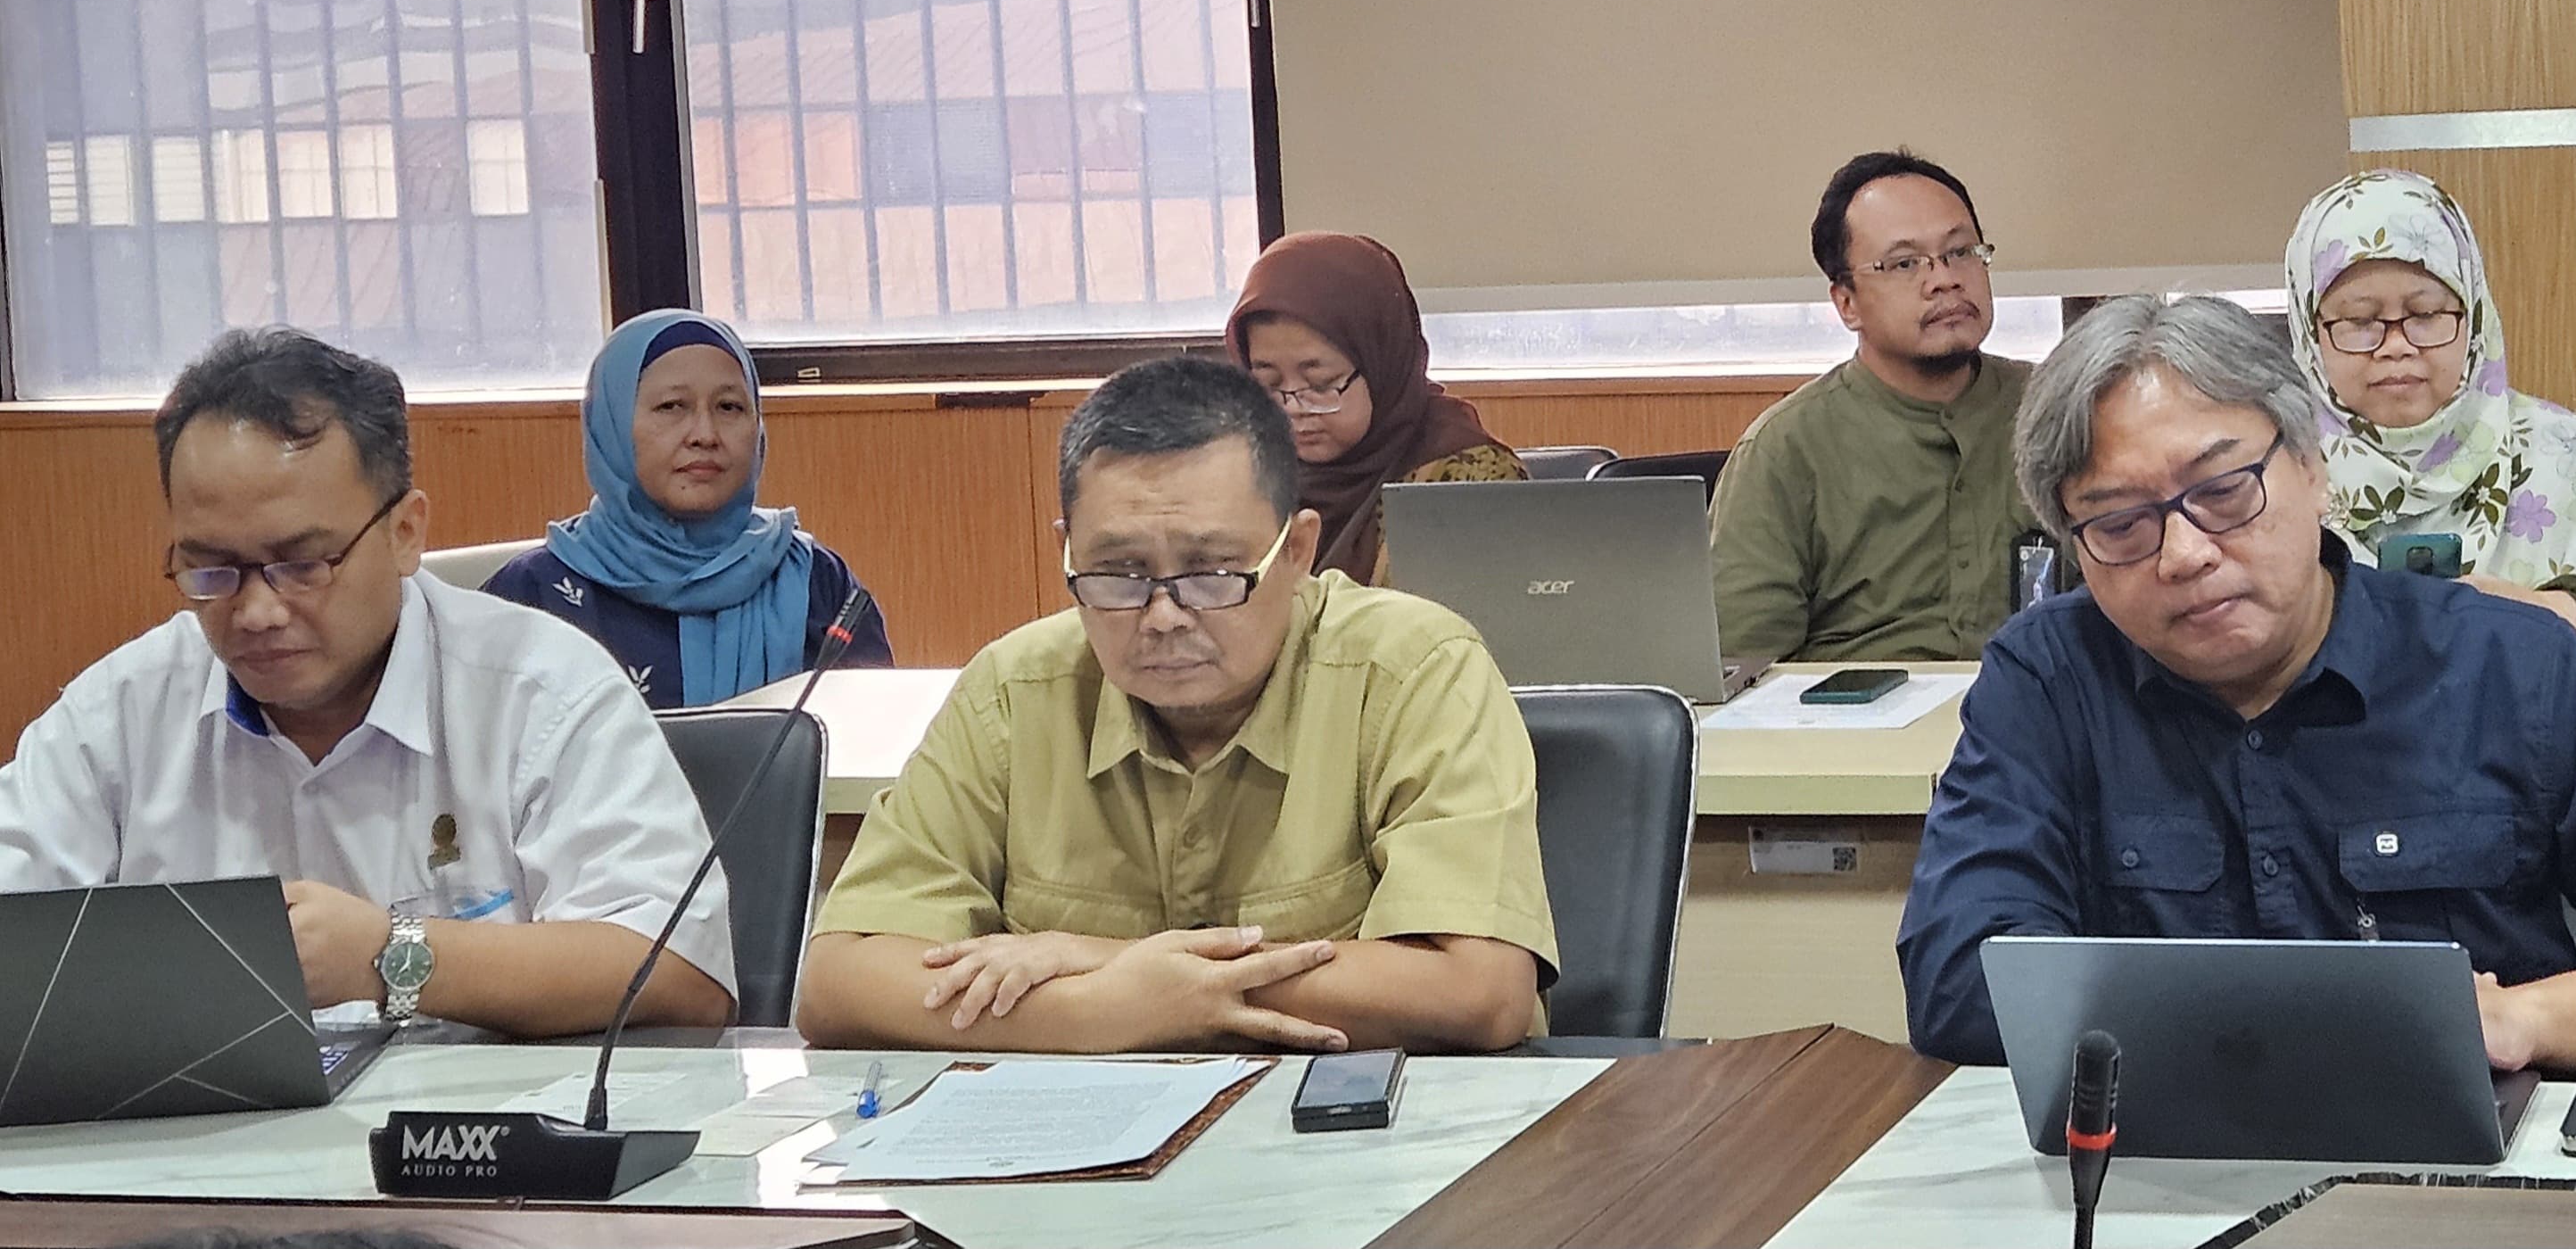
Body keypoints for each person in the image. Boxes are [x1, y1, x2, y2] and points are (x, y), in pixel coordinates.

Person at [1898, 294, 2576, 1071]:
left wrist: (2520, 1021)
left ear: (2312, 470)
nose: (2182, 554)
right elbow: (1959, 981)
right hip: (2160, 1165)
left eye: (2223, 491)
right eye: (2119, 523)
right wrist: (2313, 1030)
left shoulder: (2508, 667)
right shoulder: (2045, 678)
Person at [795, 353, 1554, 1054]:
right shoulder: (1016, 687)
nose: (1162, 615)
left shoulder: (1411, 667)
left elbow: (1480, 990)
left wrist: (1120, 967)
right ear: (1067, 549)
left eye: (1211, 571)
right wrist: (1097, 1011)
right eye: (1118, 573)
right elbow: (839, 981)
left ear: (1295, 551)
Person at [0, 328, 733, 1036]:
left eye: (302, 563)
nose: (255, 611)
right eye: (210, 569)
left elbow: (680, 971)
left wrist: (390, 955)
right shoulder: (118, 715)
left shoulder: (540, 690)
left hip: (468, 1147)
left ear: (405, 532)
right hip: (187, 1153)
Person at [2284, 170, 2576, 680]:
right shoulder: (2274, 470)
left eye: (2426, 313)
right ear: (2310, 334)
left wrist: (2549, 615)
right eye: (2360, 322)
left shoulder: (2556, 451)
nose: (2397, 345)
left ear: (2473, 317)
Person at [1711, 150, 2031, 665]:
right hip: (1851, 731)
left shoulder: (2060, 409)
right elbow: (1740, 666)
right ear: (1847, 303)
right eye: (1905, 264)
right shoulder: (1786, 449)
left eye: (1961, 252)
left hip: (2045, 721)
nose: (1945, 279)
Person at [483, 309, 893, 706]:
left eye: (729, 407)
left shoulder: (817, 581)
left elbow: (872, 742)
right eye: (672, 407)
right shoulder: (532, 595)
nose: (705, 434)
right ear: (610, 425)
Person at [1229, 231, 1525, 587]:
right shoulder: (1240, 473)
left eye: (1321, 385)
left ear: (1382, 365)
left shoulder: (1466, 481)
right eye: (1269, 387)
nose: (1293, 409)